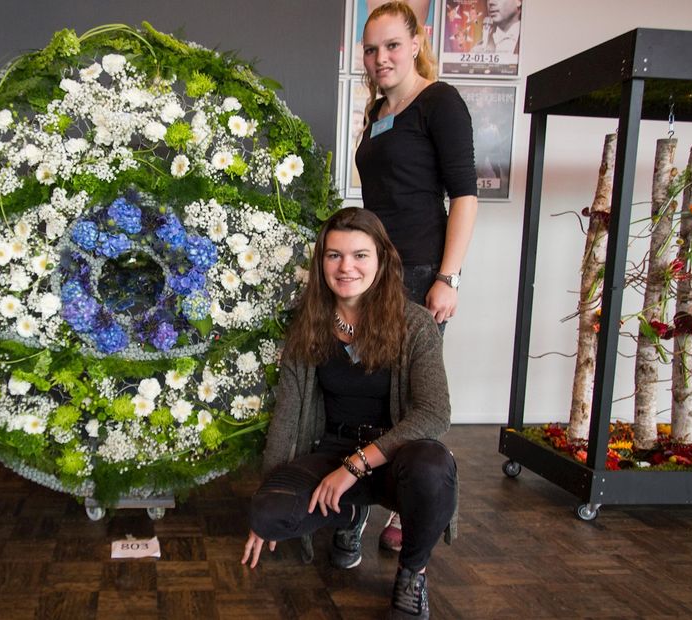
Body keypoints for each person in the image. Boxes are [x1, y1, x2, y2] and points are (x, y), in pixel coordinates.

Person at [240, 208, 457, 619]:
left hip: (395, 459)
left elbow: (434, 414)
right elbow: (286, 415)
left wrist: (356, 465)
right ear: (321, 261)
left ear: (381, 260)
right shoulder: (309, 324)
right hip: (331, 449)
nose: (346, 267)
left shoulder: (414, 324)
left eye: (360, 255)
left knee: (433, 467)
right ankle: (351, 514)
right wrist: (267, 497)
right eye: (334, 255)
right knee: (269, 512)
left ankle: (413, 574)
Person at [354, 0, 477, 552]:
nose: (381, 58)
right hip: (371, 274)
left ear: (417, 40)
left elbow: (465, 196)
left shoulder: (439, 102)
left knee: (414, 396)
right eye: (372, 49)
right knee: (367, 389)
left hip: (422, 269)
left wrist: (448, 277)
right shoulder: (377, 111)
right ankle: (362, 495)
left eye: (392, 46)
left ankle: (413, 509)